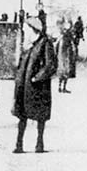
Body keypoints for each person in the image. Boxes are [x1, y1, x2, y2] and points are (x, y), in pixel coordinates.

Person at [12, 17, 56, 154]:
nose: (25, 33)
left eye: (27, 30)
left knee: (40, 117)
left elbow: (51, 65)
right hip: (24, 86)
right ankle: (19, 145)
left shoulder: (45, 43)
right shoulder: (29, 45)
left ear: (34, 30)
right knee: (22, 115)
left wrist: (37, 78)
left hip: (38, 87)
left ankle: (39, 144)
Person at [54, 17, 75, 93]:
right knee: (65, 70)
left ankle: (60, 87)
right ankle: (63, 87)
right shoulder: (65, 38)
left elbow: (56, 46)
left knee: (62, 71)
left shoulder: (61, 37)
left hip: (62, 56)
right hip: (65, 56)